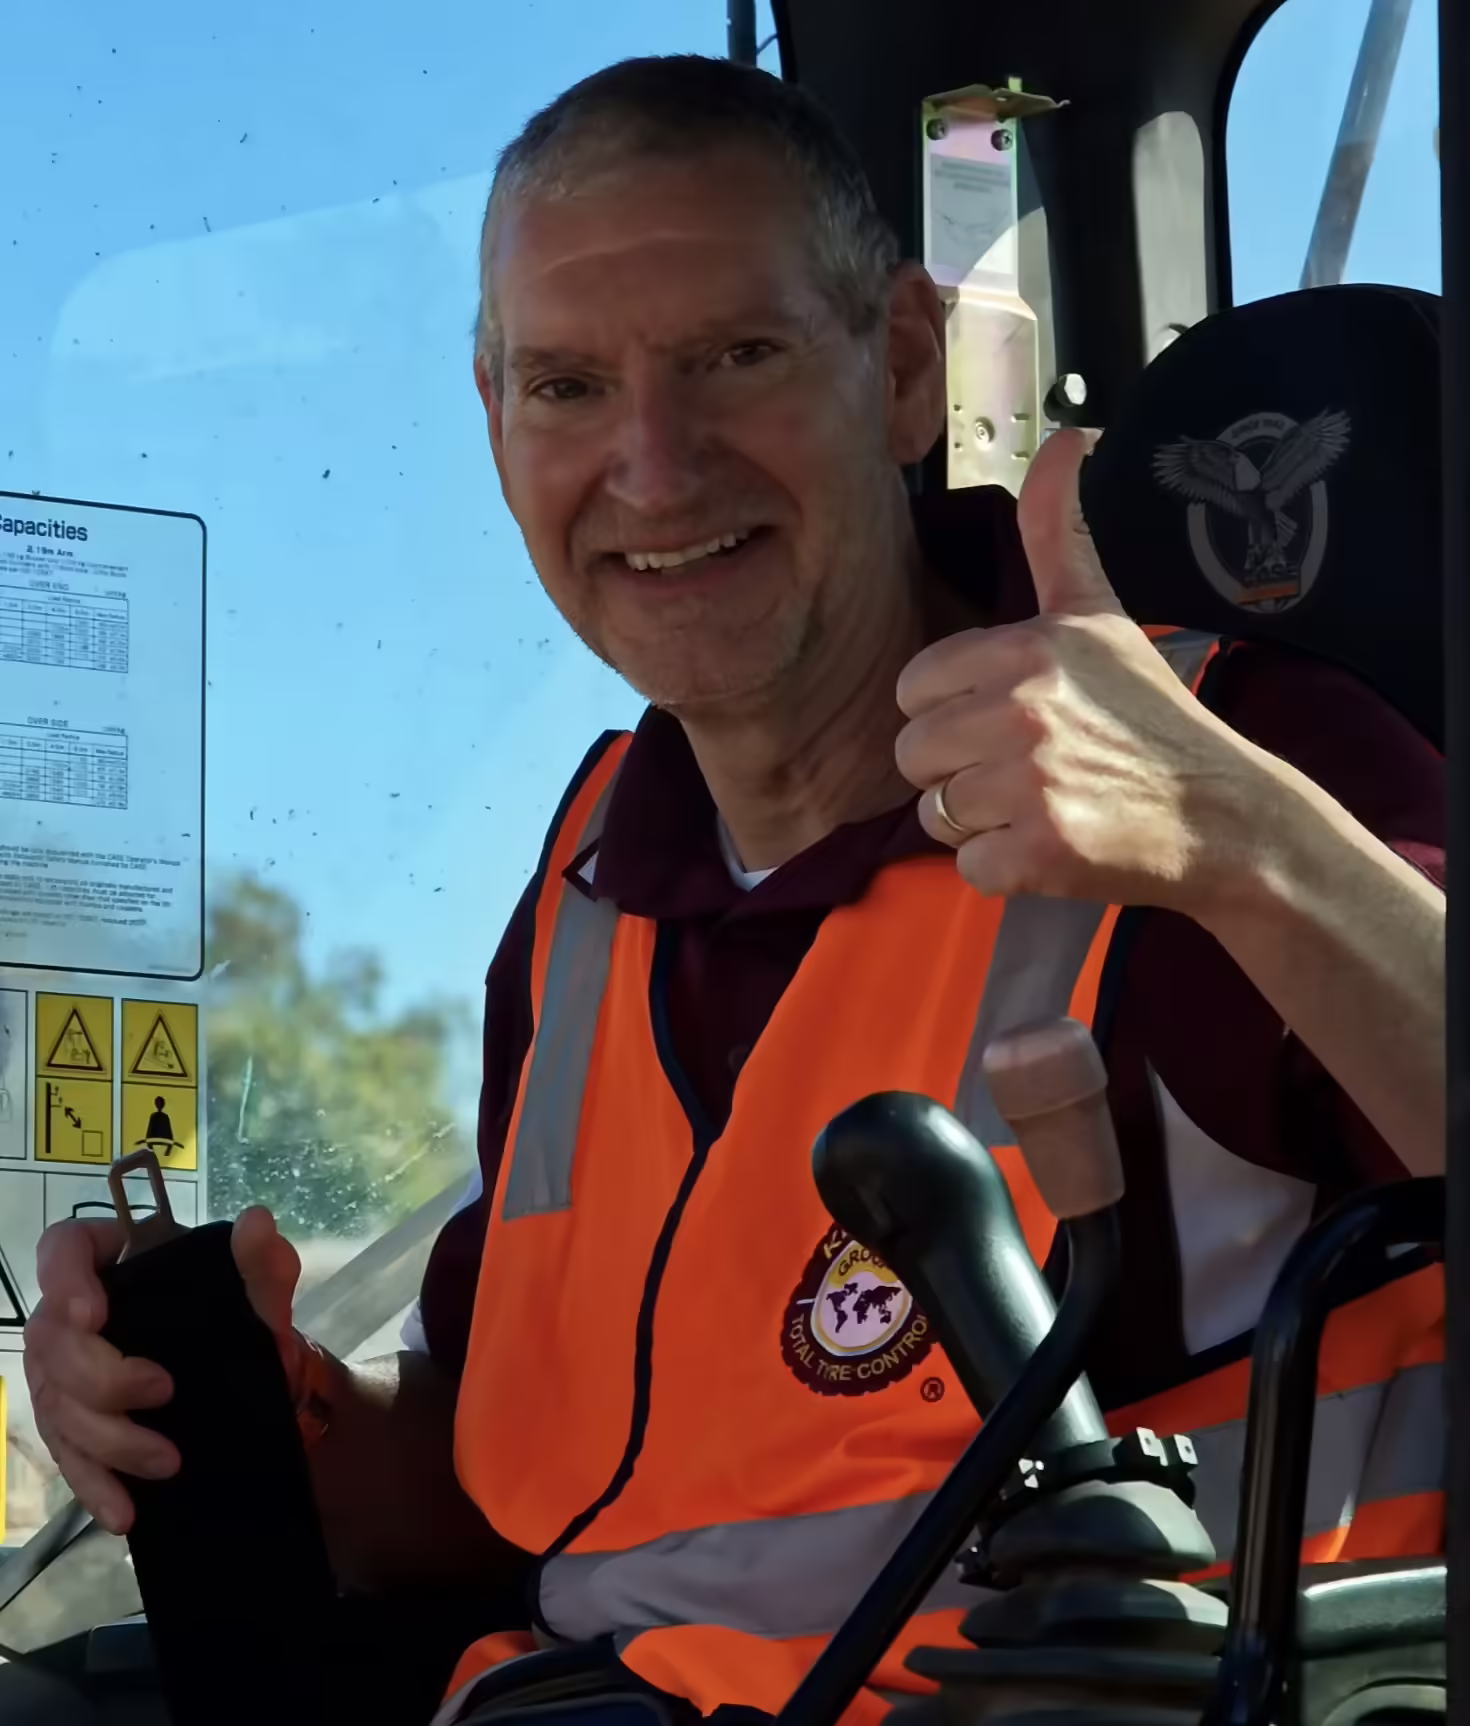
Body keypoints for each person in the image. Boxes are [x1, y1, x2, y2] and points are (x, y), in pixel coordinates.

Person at [22, 55, 1445, 1726]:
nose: (653, 464)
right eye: (564, 386)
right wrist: (275, 1408)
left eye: (736, 358)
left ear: (902, 369)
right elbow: (530, 1508)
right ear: (493, 423)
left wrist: (1245, 844)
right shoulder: (585, 889)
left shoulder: (1230, 756)